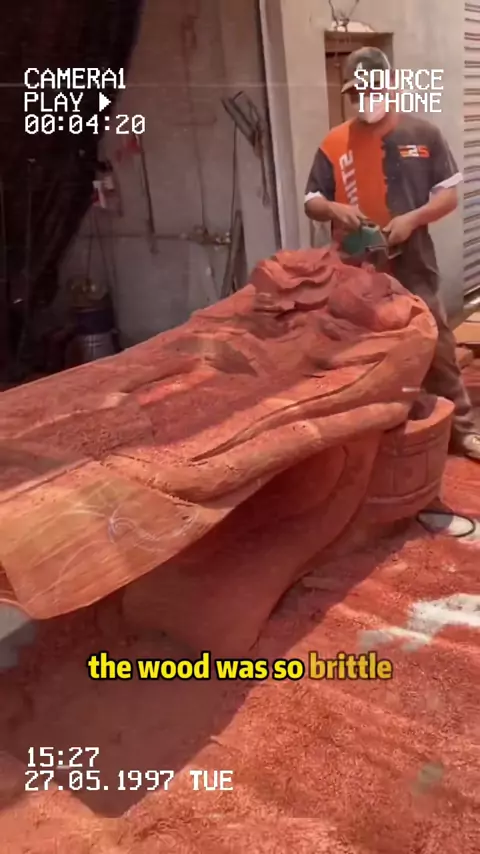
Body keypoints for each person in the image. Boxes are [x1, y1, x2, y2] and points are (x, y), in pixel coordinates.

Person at [304, 46, 480, 462]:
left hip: (412, 257)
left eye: (373, 90)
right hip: (356, 263)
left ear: (389, 86)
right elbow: (312, 200)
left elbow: (448, 196)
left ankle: (463, 430)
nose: (366, 99)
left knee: (436, 341)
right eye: (358, 93)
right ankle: (375, 436)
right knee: (360, 349)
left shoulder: (423, 136)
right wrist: (335, 209)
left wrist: (413, 219)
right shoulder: (335, 143)